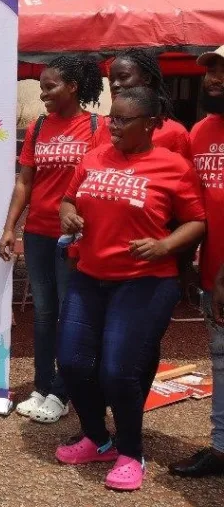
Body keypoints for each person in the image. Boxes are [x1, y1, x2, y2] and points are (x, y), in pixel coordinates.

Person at [55, 86, 205, 492]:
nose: (113, 126)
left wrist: (165, 246)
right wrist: (68, 215)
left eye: (123, 120)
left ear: (151, 124)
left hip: (145, 283)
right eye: (111, 118)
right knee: (70, 363)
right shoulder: (93, 157)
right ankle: (98, 439)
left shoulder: (172, 165)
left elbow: (196, 220)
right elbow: (68, 201)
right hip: (89, 276)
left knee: (119, 371)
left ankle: (130, 452)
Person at [0, 55, 104, 424]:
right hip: (39, 233)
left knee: (65, 312)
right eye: (41, 87)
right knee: (43, 314)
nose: (42, 94)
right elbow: (25, 181)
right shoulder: (39, 127)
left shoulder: (96, 126)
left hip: (70, 238)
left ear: (72, 86)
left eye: (49, 86)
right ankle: (42, 386)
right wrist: (11, 226)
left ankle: (62, 390)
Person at [170, 45, 224, 478]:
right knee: (221, 362)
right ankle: (221, 448)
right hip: (211, 277)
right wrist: (185, 265)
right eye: (212, 70)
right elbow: (194, 210)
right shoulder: (200, 133)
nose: (214, 78)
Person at [99, 50, 190, 157]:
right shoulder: (103, 128)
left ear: (146, 78)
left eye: (123, 77)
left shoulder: (174, 133)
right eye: (111, 80)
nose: (115, 85)